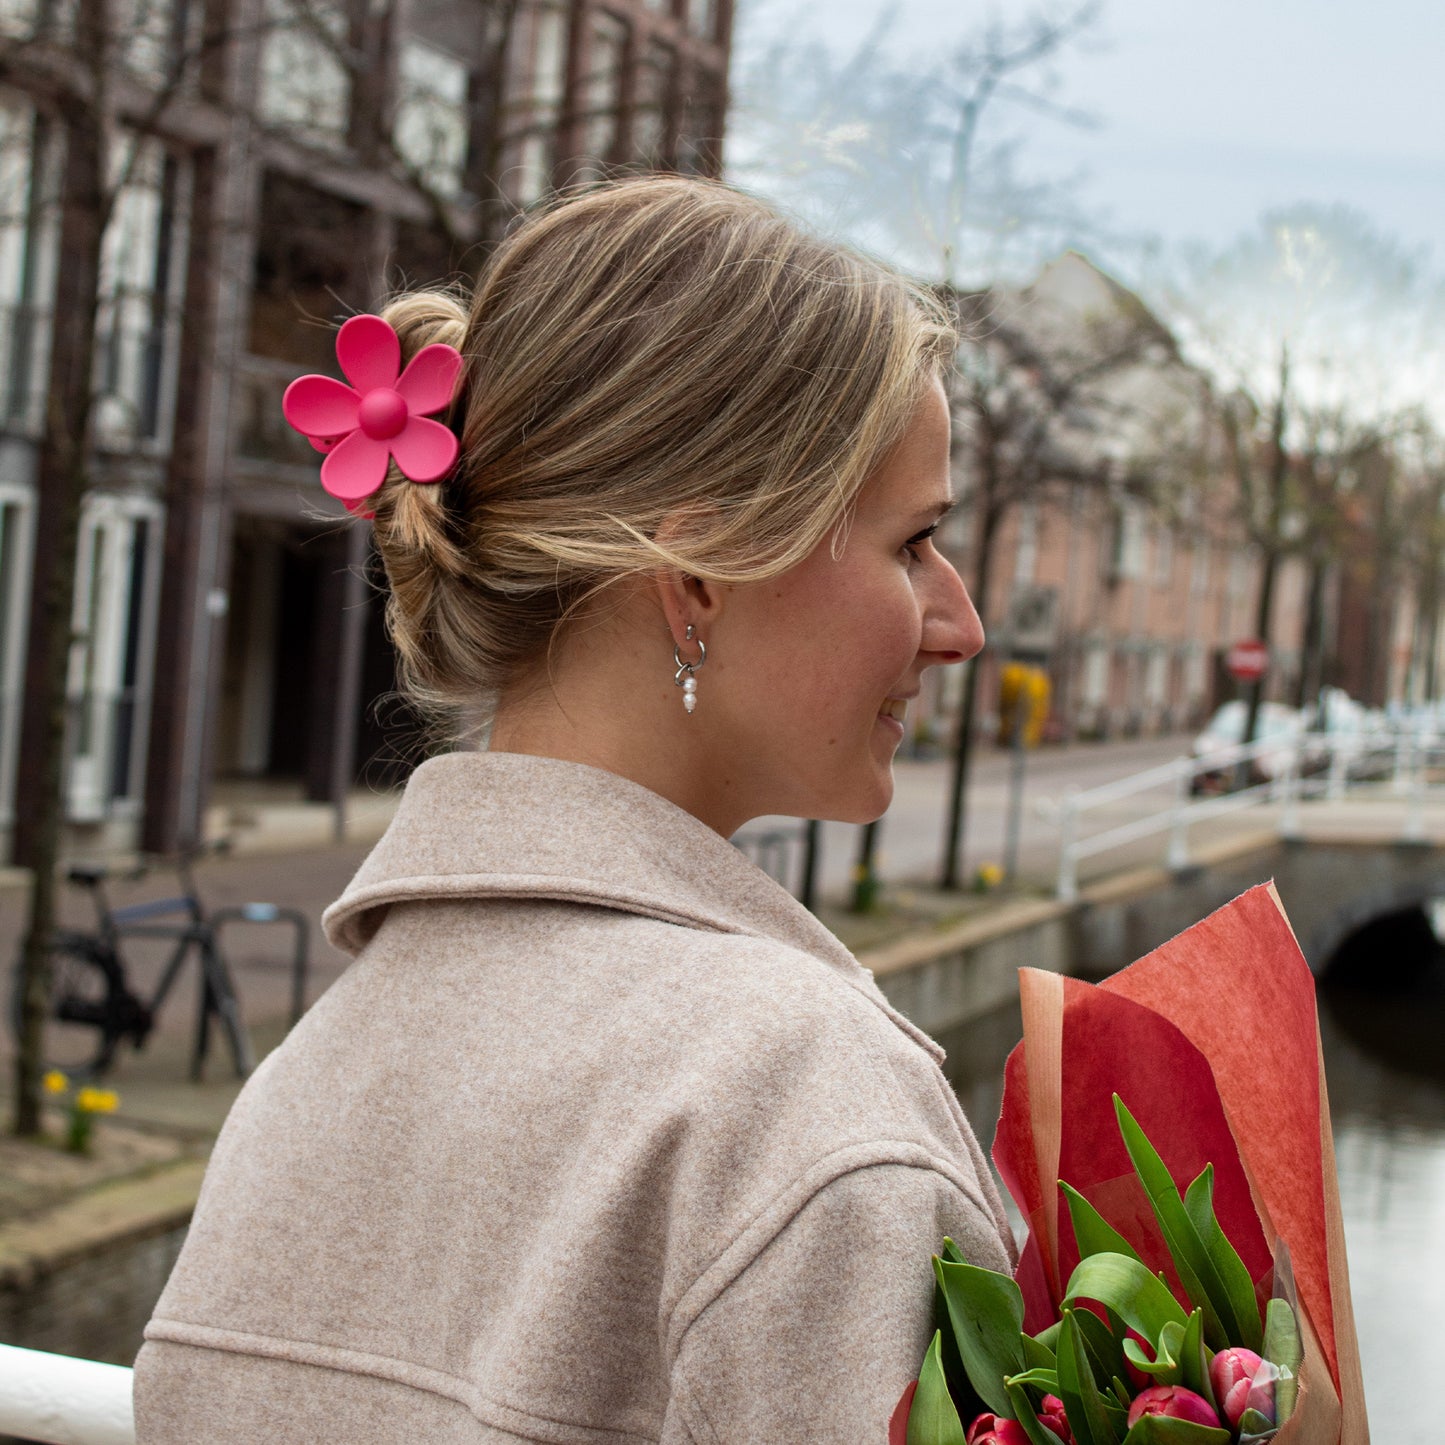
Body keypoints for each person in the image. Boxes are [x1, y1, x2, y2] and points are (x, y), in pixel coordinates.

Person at [133, 176, 1016, 1443]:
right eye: (912, 540)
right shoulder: (793, 1102)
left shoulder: (302, 1080)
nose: (959, 623)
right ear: (701, 573)